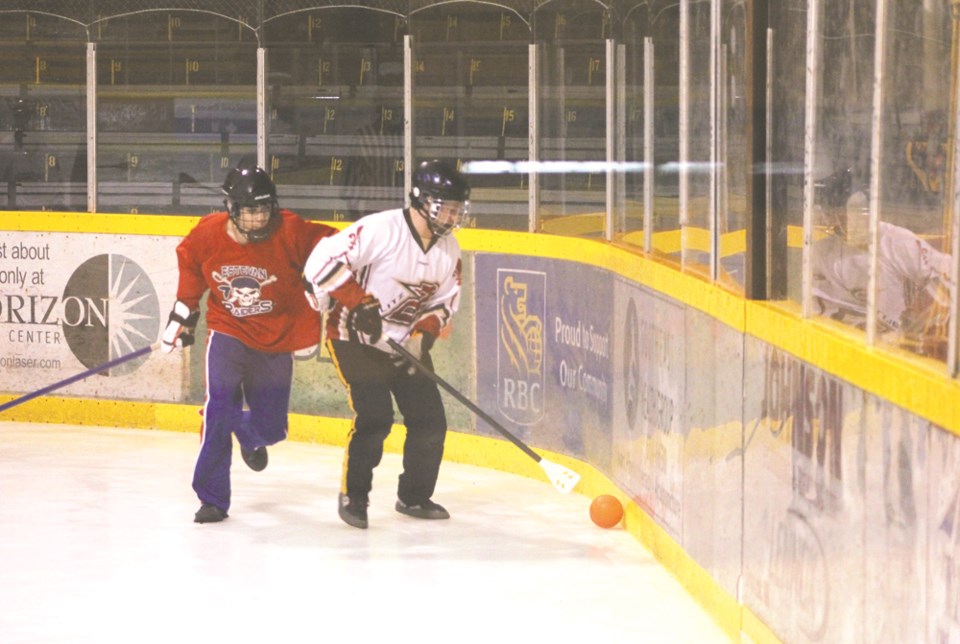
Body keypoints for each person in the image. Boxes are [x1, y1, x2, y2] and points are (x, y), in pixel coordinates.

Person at [162, 164, 337, 524]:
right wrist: (184, 311)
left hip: (275, 339)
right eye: (250, 211)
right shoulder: (209, 233)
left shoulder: (290, 229)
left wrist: (321, 278)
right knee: (217, 408)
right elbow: (191, 264)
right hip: (229, 331)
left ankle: (248, 433)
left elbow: (337, 245)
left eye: (264, 209)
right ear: (232, 209)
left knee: (273, 429)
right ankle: (212, 499)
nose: (259, 218)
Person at [303, 159, 469, 529]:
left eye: (458, 209)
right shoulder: (381, 229)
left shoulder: (450, 249)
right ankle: (355, 496)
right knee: (375, 418)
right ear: (421, 200)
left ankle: (413, 497)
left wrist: (420, 339)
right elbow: (321, 261)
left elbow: (445, 303)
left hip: (403, 342)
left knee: (430, 422)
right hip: (352, 336)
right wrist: (358, 302)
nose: (453, 216)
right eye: (447, 207)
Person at [812, 168, 953, 357]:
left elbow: (950, 278)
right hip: (851, 352)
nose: (839, 224)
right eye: (834, 216)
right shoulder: (821, 253)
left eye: (846, 216)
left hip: (902, 353)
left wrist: (918, 326)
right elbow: (822, 320)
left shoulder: (898, 242)